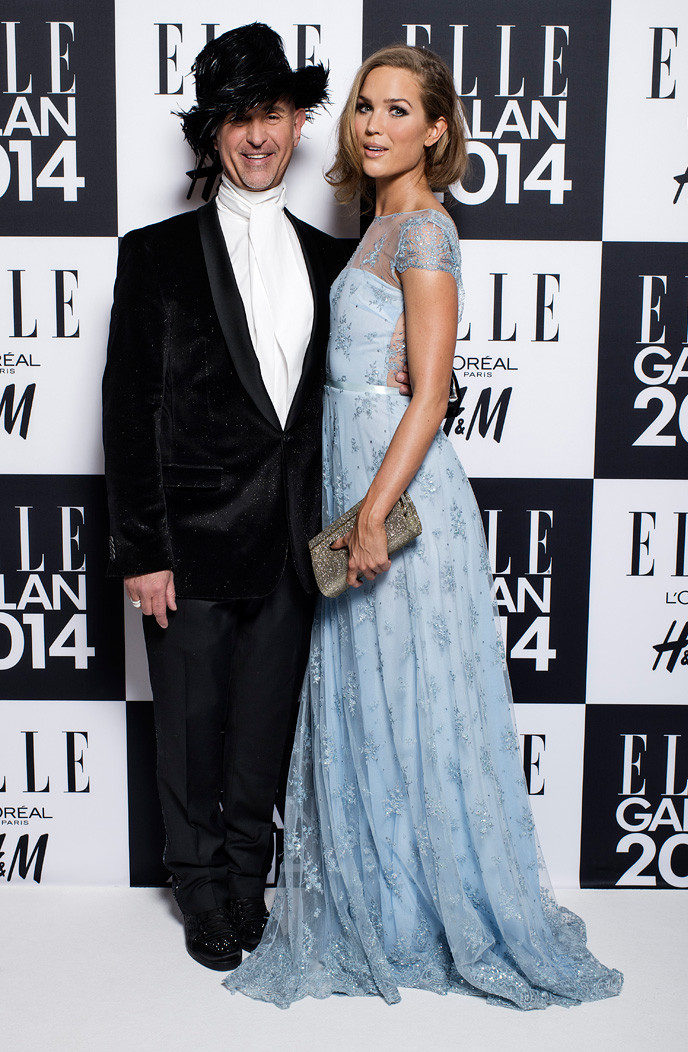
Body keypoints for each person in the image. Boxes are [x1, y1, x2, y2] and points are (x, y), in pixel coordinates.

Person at [225, 44, 623, 1009]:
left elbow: (432, 396)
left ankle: (431, 915)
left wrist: (369, 518)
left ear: (437, 130)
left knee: (417, 702)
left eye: (399, 110)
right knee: (373, 704)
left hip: (399, 509)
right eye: (365, 106)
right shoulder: (376, 226)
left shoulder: (428, 234)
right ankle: (386, 906)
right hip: (354, 489)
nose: (373, 124)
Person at [102, 23, 388, 971]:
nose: (257, 136)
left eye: (272, 114)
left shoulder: (335, 260)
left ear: (299, 123)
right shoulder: (155, 254)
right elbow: (129, 408)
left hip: (295, 542)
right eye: (237, 118)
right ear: (213, 132)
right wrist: (143, 550)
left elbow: (369, 390)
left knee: (264, 729)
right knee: (189, 730)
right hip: (187, 542)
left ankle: (244, 877)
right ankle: (198, 888)